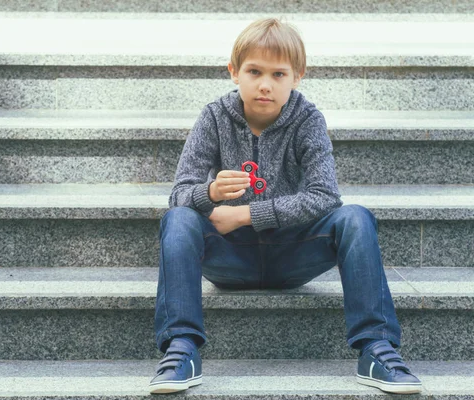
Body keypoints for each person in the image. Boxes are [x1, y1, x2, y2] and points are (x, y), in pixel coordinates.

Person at [148, 18, 422, 395]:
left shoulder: (307, 120)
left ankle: (376, 348)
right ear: (233, 72)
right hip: (230, 259)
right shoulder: (214, 117)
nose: (265, 84)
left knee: (355, 217)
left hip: (294, 256)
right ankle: (181, 349)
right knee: (178, 219)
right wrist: (209, 193)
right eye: (254, 71)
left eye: (278, 74)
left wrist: (245, 214)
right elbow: (179, 193)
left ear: (297, 76)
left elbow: (326, 196)